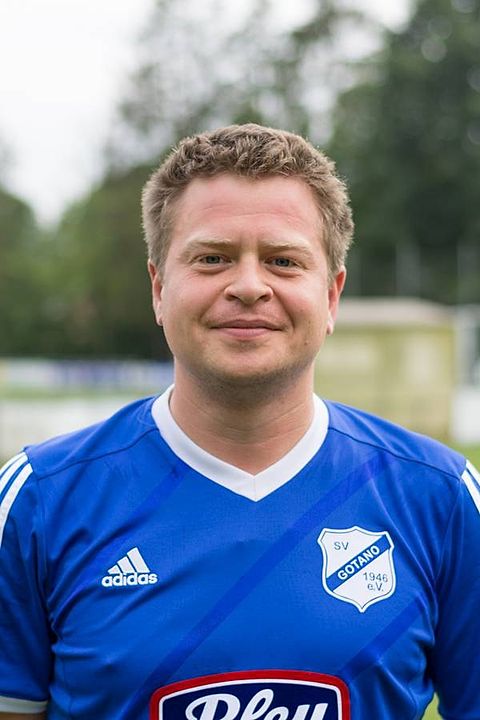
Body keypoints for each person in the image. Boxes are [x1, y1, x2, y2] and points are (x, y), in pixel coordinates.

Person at [0, 124, 479, 720]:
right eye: (212, 259)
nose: (249, 287)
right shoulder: (40, 501)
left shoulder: (441, 498)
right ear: (159, 287)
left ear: (331, 296)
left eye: (283, 261)